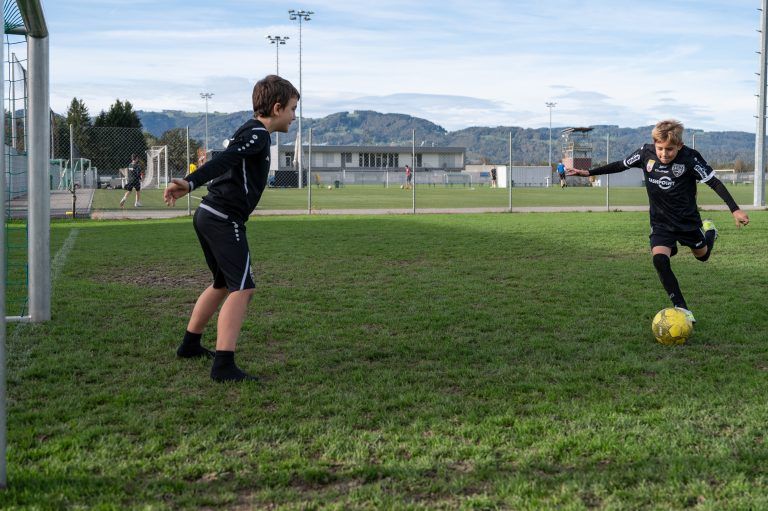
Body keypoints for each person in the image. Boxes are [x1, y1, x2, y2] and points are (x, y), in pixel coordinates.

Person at [163, 75, 299, 382]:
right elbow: (226, 159)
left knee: (223, 283)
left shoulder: (250, 132)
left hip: (210, 215)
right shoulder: (258, 135)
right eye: (292, 109)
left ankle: (190, 345)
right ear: (277, 108)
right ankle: (223, 365)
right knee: (243, 288)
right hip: (223, 218)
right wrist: (190, 181)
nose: (294, 116)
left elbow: (227, 158)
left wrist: (192, 182)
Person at [567, 119, 749, 323]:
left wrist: (735, 210)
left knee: (703, 257)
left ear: (679, 146)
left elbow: (714, 183)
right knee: (660, 260)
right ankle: (682, 308)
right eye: (660, 148)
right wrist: (589, 172)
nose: (664, 153)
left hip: (687, 222)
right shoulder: (645, 153)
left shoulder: (690, 159)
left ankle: (710, 232)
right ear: (654, 144)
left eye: (670, 149)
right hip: (661, 222)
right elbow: (620, 165)